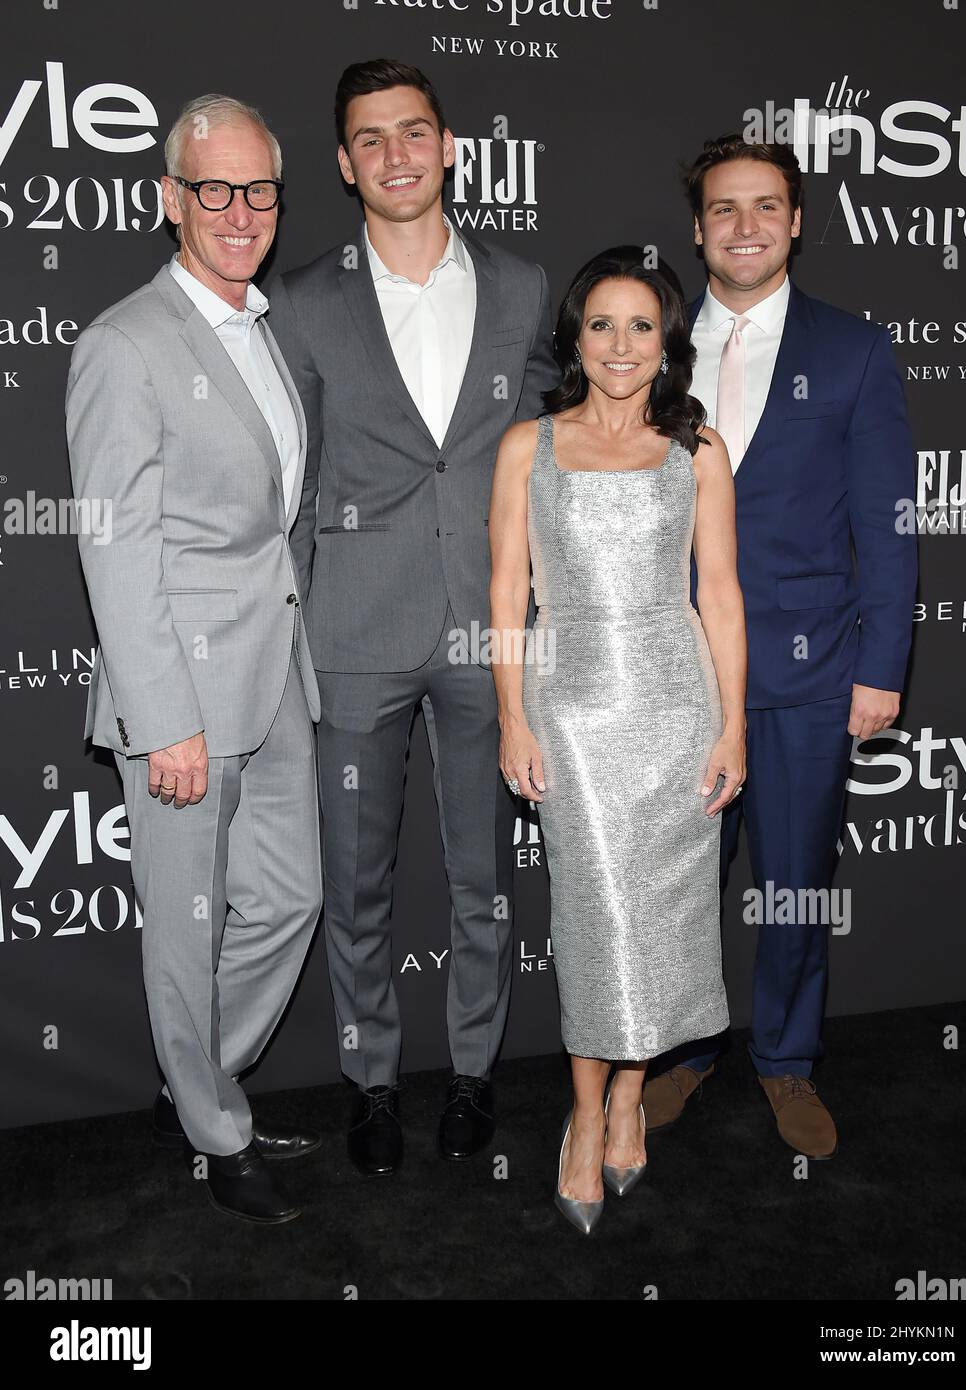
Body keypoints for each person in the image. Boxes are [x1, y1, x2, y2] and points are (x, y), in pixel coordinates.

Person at [267, 59, 559, 1176]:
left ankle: (475, 1074)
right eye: (371, 138)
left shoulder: (525, 284)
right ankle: (372, 1083)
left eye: (416, 131)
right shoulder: (300, 300)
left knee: (485, 874)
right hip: (352, 629)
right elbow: (289, 484)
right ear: (345, 165)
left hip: (492, 628)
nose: (397, 154)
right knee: (356, 882)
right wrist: (288, 649)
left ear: (449, 148)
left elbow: (552, 451)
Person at [66, 95, 323, 1225]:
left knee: (290, 901)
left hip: (275, 670)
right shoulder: (125, 344)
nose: (237, 211)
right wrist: (163, 715)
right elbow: (114, 548)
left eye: (257, 189)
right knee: (187, 926)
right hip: (181, 691)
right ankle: (219, 1133)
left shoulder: (262, 327)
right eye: (211, 189)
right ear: (171, 199)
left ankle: (197, 1080)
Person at [643, 135, 918, 1159]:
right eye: (724, 208)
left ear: (797, 221)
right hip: (674, 676)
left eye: (766, 206)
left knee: (795, 875)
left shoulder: (853, 350)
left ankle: (788, 1061)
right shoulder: (650, 347)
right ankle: (682, 1048)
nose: (745, 225)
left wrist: (882, 665)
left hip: (807, 674)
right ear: (698, 227)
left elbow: (887, 523)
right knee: (677, 881)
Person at [488, 247, 747, 1234]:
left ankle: (634, 1091)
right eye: (603, 324)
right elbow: (506, 593)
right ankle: (585, 1111)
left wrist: (732, 724)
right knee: (598, 919)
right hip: (573, 707)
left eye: (643, 325)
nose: (622, 345)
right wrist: (513, 711)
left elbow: (718, 595)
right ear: (575, 337)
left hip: (678, 704)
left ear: (667, 340)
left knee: (668, 918)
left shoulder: (700, 450)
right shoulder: (530, 447)